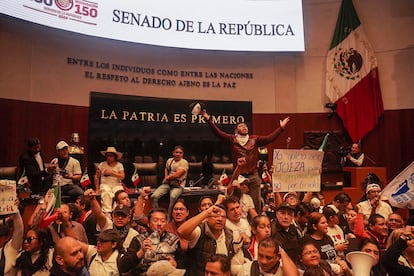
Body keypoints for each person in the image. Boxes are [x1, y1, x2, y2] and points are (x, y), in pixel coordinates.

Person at [202, 110, 290, 211]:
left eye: (245, 126)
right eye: (241, 126)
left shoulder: (255, 139)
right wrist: (207, 118)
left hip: (253, 175)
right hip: (239, 176)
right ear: (236, 130)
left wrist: (281, 128)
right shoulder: (232, 139)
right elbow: (217, 132)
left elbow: (270, 138)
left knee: (256, 203)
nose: (244, 127)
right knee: (236, 201)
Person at [118, 207, 182, 275]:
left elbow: (183, 262)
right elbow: (123, 266)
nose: (159, 224)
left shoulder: (174, 240)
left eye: (163, 221)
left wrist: (176, 264)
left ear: (166, 223)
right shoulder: (138, 239)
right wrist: (141, 252)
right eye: (155, 220)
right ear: (148, 223)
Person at [177, 204, 236, 276]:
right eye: (215, 216)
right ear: (207, 218)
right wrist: (206, 213)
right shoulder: (200, 231)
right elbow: (181, 231)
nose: (220, 219)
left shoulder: (230, 235)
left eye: (223, 217)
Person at [84, 189, 138, 253]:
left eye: (123, 216)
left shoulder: (134, 234)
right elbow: (99, 214)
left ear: (128, 218)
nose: (120, 218)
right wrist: (92, 199)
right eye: (117, 215)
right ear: (113, 216)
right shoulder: (108, 226)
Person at [151, 145, 189, 218]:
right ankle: (155, 215)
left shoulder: (184, 162)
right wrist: (166, 177)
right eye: (176, 152)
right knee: (154, 196)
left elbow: (178, 174)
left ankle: (169, 218)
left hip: (178, 185)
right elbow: (166, 168)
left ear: (183, 154)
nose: (178, 154)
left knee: (173, 197)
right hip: (169, 183)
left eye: (180, 153)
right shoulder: (169, 160)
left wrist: (167, 178)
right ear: (173, 153)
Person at [95, 146, 125, 214]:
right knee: (106, 193)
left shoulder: (119, 165)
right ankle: (107, 212)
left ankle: (118, 211)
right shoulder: (102, 164)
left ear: (115, 157)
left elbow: (122, 176)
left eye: (111, 156)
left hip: (116, 185)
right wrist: (97, 188)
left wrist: (112, 172)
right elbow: (96, 177)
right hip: (105, 185)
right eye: (107, 156)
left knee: (120, 194)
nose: (109, 157)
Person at [0, 211, 24, 276]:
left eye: (0, 236)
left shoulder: (12, 248)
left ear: (6, 237)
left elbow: (19, 230)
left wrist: (15, 210)